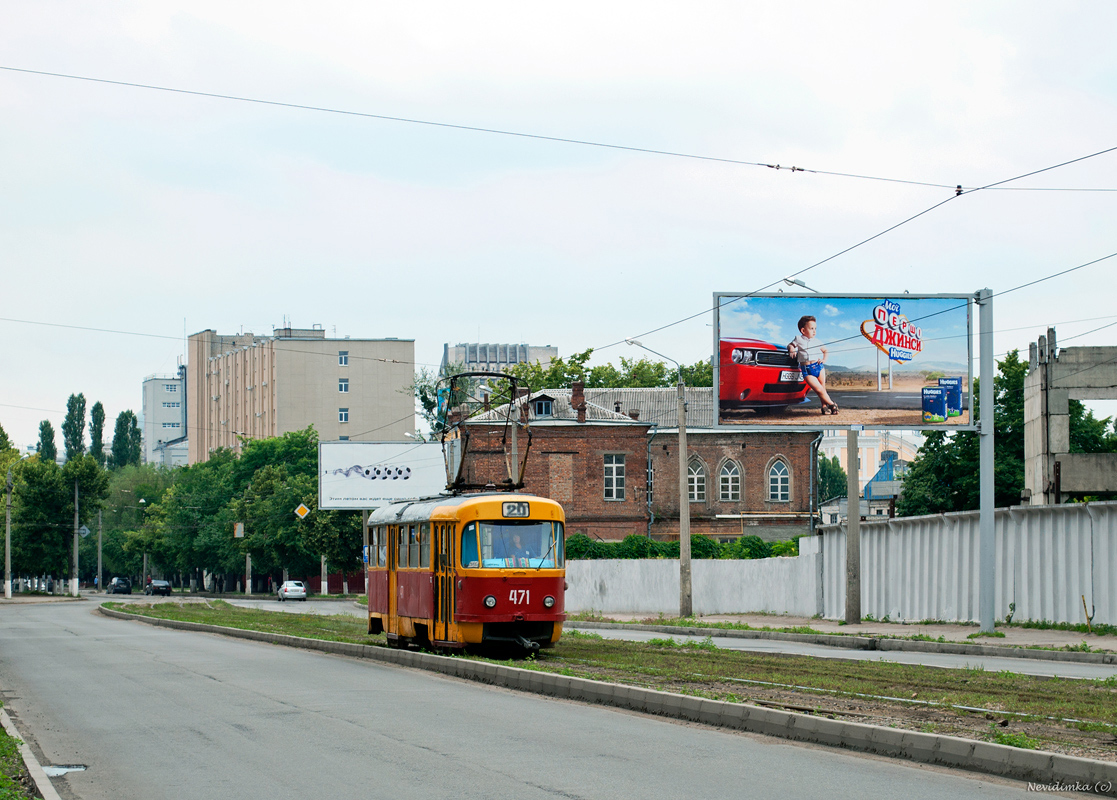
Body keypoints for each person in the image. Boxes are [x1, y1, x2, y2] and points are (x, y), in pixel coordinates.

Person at [788, 315, 838, 414]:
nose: (814, 331)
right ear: (803, 330)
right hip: (806, 369)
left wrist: (824, 360)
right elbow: (790, 345)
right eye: (811, 328)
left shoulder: (817, 341)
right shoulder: (798, 339)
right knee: (818, 389)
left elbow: (825, 350)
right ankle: (832, 404)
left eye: (815, 328)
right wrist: (791, 349)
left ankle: (824, 407)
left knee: (822, 388)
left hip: (819, 367)